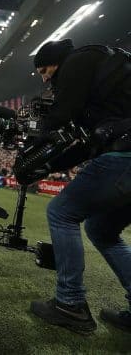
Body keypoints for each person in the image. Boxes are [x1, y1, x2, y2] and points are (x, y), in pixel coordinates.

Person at [28, 39, 131, 335]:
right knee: (101, 230)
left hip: (126, 153)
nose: (45, 79)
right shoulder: (105, 83)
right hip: (123, 148)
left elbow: (61, 115)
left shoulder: (77, 62)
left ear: (56, 61)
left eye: (44, 70)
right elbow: (88, 145)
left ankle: (70, 304)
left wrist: (33, 150)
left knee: (61, 212)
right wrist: (47, 165)